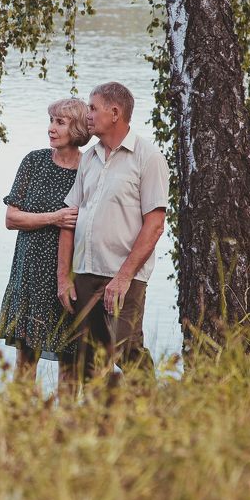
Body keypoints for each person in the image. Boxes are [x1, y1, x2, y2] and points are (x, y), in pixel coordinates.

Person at [57, 82, 170, 385]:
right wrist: (64, 277)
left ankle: (151, 416)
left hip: (125, 279)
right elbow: (70, 218)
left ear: (115, 112)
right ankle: (100, 425)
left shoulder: (148, 158)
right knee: (88, 362)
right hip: (85, 275)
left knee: (128, 351)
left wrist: (122, 278)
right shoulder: (89, 158)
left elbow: (155, 224)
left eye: (93, 108)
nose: (87, 114)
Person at [0, 98, 91, 385]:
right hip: (29, 274)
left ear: (75, 128)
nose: (51, 128)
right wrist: (55, 218)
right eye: (51, 120)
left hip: (68, 275)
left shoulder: (89, 167)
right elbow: (12, 218)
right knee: (25, 359)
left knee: (70, 358)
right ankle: (22, 420)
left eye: (59, 122)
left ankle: (66, 423)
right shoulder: (34, 161)